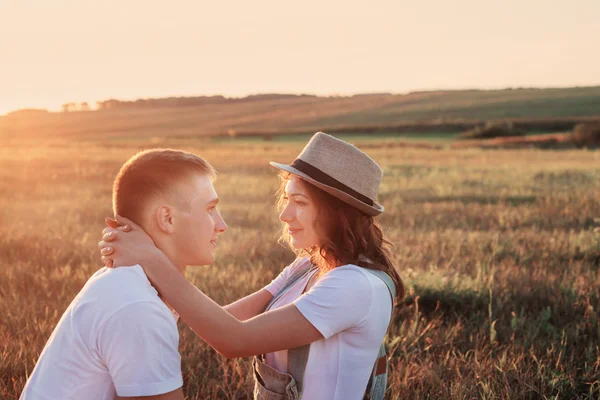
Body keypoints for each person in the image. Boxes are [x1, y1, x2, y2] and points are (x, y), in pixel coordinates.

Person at [99, 132, 405, 400]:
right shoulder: (308, 267)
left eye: (299, 202)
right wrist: (152, 257)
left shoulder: (354, 286)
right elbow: (222, 320)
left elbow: (233, 340)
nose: (285, 215)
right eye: (286, 200)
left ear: (337, 212)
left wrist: (150, 258)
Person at [20, 149, 227, 400]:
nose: (221, 225)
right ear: (167, 219)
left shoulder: (124, 283)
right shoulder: (138, 306)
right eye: (210, 209)